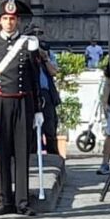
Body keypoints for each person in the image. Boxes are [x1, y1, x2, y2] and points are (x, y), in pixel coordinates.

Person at [0, 0, 39, 217]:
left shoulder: (28, 44)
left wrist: (38, 109)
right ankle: (4, 200)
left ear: (18, 20)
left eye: (13, 18)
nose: (9, 22)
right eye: (5, 18)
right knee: (3, 153)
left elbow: (34, 77)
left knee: (22, 152)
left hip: (22, 102)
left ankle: (22, 201)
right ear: (0, 21)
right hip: (1, 102)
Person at [31, 26, 61, 156]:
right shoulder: (27, 53)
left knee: (50, 126)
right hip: (32, 93)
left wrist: (45, 58)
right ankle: (32, 154)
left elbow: (54, 71)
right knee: (32, 128)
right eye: (35, 34)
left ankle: (53, 155)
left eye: (40, 33)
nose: (38, 36)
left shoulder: (48, 53)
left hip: (46, 93)